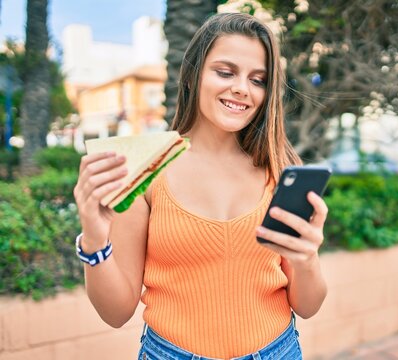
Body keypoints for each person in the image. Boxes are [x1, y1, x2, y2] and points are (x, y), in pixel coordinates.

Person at [73, 12, 328, 360]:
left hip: (278, 351)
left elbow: (309, 306)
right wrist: (94, 238)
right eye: (225, 72)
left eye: (258, 79)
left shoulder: (281, 171)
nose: (241, 88)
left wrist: (307, 259)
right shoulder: (147, 169)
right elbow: (115, 314)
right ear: (193, 75)